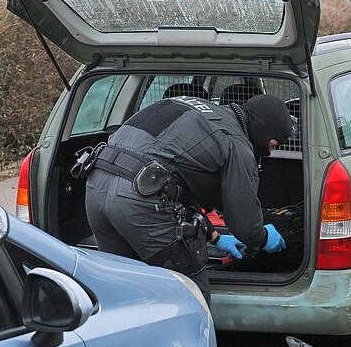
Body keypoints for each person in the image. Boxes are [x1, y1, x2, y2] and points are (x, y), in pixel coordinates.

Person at [79, 93, 294, 302]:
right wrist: (263, 237)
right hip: (140, 200)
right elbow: (244, 225)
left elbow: (177, 181)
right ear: (264, 131)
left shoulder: (196, 108)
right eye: (272, 145)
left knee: (122, 291)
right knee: (189, 295)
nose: (270, 153)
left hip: (96, 185)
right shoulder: (236, 142)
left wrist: (215, 238)